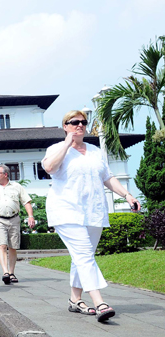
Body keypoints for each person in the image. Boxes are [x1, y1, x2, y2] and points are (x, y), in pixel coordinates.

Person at [42, 110, 141, 323]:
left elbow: (107, 177)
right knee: (85, 254)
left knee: (82, 257)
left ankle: (75, 299)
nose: (80, 125)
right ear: (65, 126)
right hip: (66, 210)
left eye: (83, 122)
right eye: (74, 122)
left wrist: (127, 195)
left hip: (94, 211)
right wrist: (67, 144)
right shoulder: (57, 149)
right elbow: (49, 167)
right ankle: (99, 302)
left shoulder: (95, 151)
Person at [0, 164, 35, 285]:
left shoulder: (17, 187)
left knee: (13, 246)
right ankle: (5, 272)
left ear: (5, 174)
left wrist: (30, 216)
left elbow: (26, 202)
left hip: (14, 218)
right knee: (2, 245)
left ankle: (11, 272)